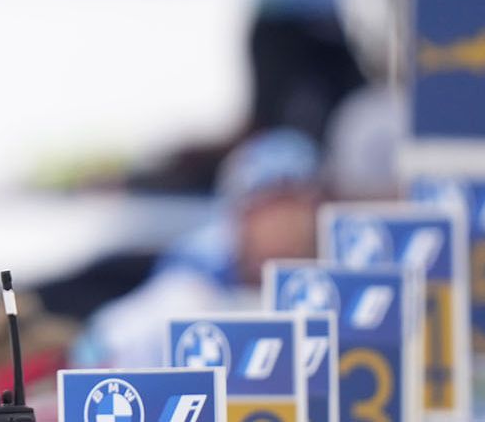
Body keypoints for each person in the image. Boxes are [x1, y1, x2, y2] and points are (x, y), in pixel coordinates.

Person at [71, 130, 324, 368]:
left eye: (299, 209)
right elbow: (98, 348)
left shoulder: (329, 280)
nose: (287, 226)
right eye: (271, 210)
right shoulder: (194, 288)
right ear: (241, 218)